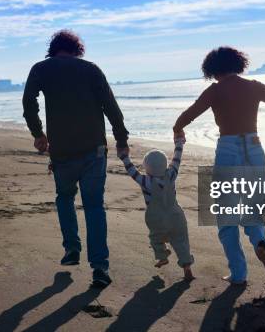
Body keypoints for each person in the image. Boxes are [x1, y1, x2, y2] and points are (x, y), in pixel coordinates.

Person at [173, 46, 265, 284]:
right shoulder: (253, 87)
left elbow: (188, 115)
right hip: (254, 148)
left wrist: (177, 129)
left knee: (226, 215)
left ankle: (239, 273)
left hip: (228, 149)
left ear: (212, 69)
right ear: (238, 64)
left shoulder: (214, 91)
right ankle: (259, 242)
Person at [22, 29, 129, 288]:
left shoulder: (40, 69)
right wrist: (122, 139)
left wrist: (38, 134)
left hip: (62, 151)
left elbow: (28, 102)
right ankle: (100, 268)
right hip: (94, 150)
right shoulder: (91, 69)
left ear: (53, 48)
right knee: (94, 206)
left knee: (65, 197)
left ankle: (72, 248)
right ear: (77, 48)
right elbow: (110, 106)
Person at [118, 136, 194, 281]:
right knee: (181, 241)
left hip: (157, 219)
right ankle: (187, 267)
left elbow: (132, 171)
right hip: (176, 216)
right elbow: (177, 160)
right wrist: (179, 144)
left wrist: (124, 157)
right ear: (165, 165)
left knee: (155, 239)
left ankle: (162, 256)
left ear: (147, 167)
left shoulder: (145, 181)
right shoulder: (171, 175)